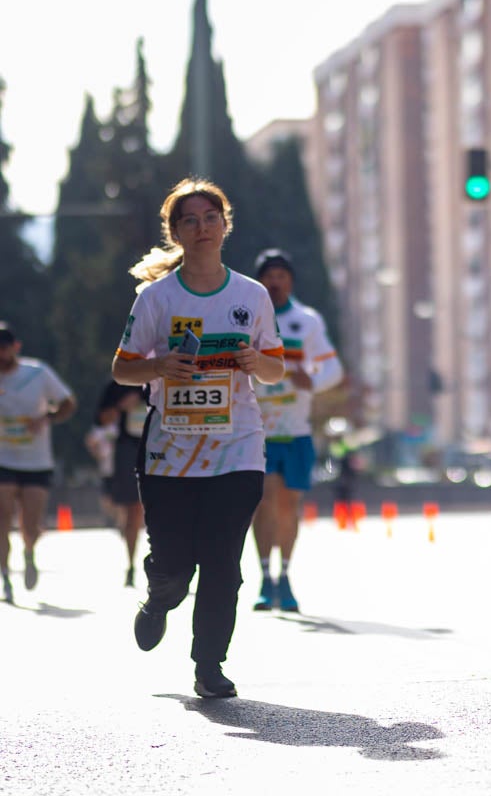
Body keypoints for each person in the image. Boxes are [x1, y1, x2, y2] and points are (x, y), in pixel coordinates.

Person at [112, 178, 285, 698]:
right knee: (175, 562)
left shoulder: (251, 295)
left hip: (238, 447)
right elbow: (121, 370)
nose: (202, 226)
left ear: (225, 225)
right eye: (190, 219)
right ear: (177, 232)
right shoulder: (156, 298)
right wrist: (159, 365)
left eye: (211, 216)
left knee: (222, 563)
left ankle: (209, 665)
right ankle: (161, 594)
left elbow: (276, 368)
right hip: (170, 451)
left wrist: (258, 362)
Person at [250, 248, 343, 612]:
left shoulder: (307, 321)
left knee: (289, 506)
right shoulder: (246, 318)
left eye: (281, 275)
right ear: (259, 282)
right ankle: (264, 578)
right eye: (268, 276)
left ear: (290, 281)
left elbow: (333, 371)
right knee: (264, 504)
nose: (275, 282)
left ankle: (285, 578)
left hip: (297, 431)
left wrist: (312, 380)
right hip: (257, 431)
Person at [0, 323, 77, 604]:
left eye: (4, 350)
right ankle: (6, 576)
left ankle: (29, 552)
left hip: (35, 461)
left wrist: (47, 418)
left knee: (30, 525)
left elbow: (68, 403)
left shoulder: (37, 372)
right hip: (3, 459)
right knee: (2, 518)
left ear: (15, 348)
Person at [96, 380, 150, 587]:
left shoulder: (165, 376)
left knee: (166, 509)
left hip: (164, 445)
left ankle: (167, 562)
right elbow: (101, 419)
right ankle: (131, 565)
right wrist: (121, 406)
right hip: (128, 450)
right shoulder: (118, 385)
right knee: (133, 510)